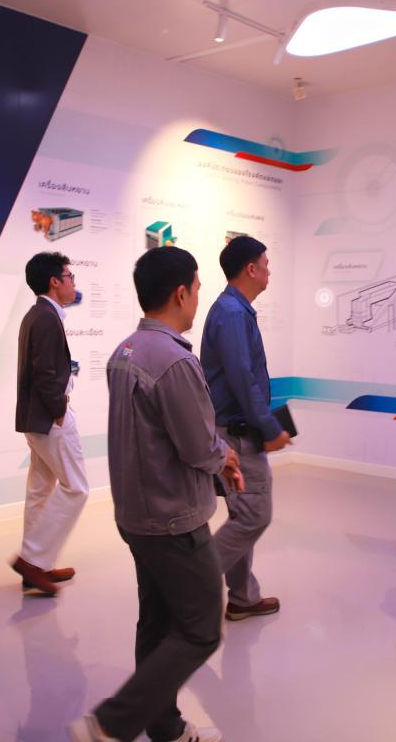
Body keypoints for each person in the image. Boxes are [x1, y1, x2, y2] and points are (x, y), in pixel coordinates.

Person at [69, 246, 242, 742]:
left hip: (137, 515)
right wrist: (226, 456)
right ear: (181, 293)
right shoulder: (174, 361)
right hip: (174, 519)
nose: (198, 299)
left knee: (159, 621)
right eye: (198, 289)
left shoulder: (124, 352)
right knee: (201, 628)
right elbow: (197, 445)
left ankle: (164, 726)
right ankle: (113, 722)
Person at [199, 235, 289, 621]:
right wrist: (269, 427)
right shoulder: (233, 313)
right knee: (255, 515)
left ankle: (242, 597)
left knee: (243, 514)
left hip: (234, 428)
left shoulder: (234, 310)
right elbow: (242, 379)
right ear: (250, 269)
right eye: (266, 264)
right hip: (237, 432)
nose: (269, 271)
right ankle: (191, 586)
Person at [11, 252, 88, 595]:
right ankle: (32, 560)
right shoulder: (44, 317)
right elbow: (43, 372)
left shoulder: (40, 314)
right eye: (70, 276)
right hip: (49, 417)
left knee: (40, 490)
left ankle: (36, 565)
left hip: (37, 418)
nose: (73, 283)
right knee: (76, 488)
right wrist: (58, 409)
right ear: (55, 282)